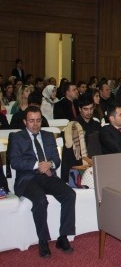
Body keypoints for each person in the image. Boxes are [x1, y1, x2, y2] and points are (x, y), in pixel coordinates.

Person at [9, 106, 75, 258]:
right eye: (31, 121)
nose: (35, 124)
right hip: (27, 179)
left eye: (38, 120)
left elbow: (56, 160)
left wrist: (49, 164)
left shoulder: (48, 135)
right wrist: (37, 165)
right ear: (25, 121)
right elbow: (14, 162)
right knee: (40, 200)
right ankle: (43, 240)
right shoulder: (17, 137)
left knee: (69, 194)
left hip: (47, 176)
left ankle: (63, 237)